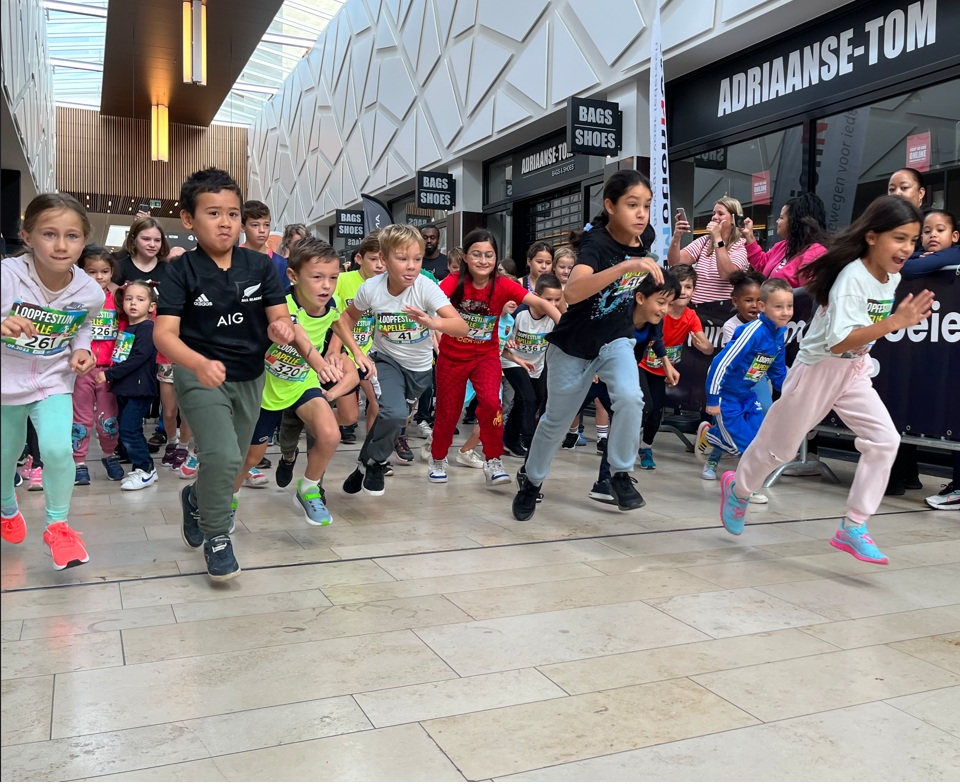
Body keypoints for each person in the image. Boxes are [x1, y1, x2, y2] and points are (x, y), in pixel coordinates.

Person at [718, 195, 934, 565]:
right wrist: (895, 322)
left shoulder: (891, 275)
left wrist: (886, 326)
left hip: (853, 371)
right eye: (899, 237)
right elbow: (837, 342)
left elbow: (855, 342)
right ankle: (738, 490)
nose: (907, 248)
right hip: (819, 369)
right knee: (779, 450)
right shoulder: (852, 279)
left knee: (884, 440)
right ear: (871, 236)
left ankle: (853, 526)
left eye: (912, 240)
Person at [154, 167, 296, 582]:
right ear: (188, 219)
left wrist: (281, 330)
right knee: (222, 455)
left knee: (234, 465)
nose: (226, 223)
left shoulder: (260, 265)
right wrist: (197, 363)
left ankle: (195, 498)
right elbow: (164, 334)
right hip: (199, 376)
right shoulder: (181, 272)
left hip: (250, 376)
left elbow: (280, 318)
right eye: (213, 213)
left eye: (232, 214)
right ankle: (218, 537)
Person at [512, 170, 663, 520]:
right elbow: (574, 292)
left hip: (616, 339)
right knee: (556, 421)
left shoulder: (646, 238)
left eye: (647, 206)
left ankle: (621, 475)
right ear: (610, 206)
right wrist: (627, 265)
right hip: (574, 346)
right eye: (632, 205)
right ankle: (531, 482)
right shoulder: (597, 243)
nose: (641, 213)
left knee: (630, 397)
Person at [1, 193, 103, 570]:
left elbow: (85, 326)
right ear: (27, 237)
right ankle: (6, 507)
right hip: (4, 384)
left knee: (58, 449)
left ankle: (58, 526)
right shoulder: (6, 276)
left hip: (52, 379)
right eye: (49, 234)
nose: (61, 245)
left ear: (84, 239)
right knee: (5, 455)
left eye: (72, 236)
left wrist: (83, 350)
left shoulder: (89, 291)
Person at [236, 238, 368, 526]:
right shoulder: (281, 305)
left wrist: (357, 352)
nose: (327, 286)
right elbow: (298, 335)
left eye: (333, 278)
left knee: (331, 434)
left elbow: (338, 321)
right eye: (317, 277)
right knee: (251, 458)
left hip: (301, 383)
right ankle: (226, 502)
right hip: (266, 389)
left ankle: (308, 489)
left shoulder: (330, 304)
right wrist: (321, 364)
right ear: (294, 276)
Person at [339, 224, 467, 496]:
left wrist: (432, 321)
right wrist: (359, 353)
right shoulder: (371, 289)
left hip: (419, 370)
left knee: (396, 420)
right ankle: (378, 463)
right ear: (384, 260)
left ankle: (363, 464)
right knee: (393, 412)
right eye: (402, 258)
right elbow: (345, 320)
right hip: (385, 360)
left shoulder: (425, 288)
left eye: (417, 259)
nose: (411, 266)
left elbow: (461, 326)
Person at [428, 229, 561, 485]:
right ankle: (438, 458)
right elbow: (430, 300)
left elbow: (542, 303)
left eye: (489, 255)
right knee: (448, 412)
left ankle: (493, 460)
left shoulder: (501, 284)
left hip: (486, 357)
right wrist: (433, 327)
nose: (483, 260)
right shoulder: (453, 282)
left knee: (491, 404)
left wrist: (562, 324)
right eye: (476, 254)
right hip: (452, 359)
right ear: (466, 257)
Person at [699, 279, 794, 501]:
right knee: (742, 447)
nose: (785, 312)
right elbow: (720, 364)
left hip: (747, 396)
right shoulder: (751, 332)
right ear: (763, 307)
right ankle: (742, 486)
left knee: (758, 442)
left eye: (789, 306)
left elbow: (778, 372)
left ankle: (714, 438)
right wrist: (713, 399)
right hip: (725, 397)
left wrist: (792, 395)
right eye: (778, 306)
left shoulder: (779, 334)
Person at [590, 270, 680, 503]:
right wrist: (594, 368)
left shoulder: (654, 320)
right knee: (559, 417)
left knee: (636, 411)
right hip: (591, 369)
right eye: (661, 302)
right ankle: (530, 475)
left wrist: (667, 364)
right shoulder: (618, 315)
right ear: (640, 298)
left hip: (624, 370)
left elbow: (656, 340)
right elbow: (594, 337)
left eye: (669, 304)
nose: (664, 309)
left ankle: (607, 480)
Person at [638, 264, 713, 470]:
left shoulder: (690, 317)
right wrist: (667, 363)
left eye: (689, 287)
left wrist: (705, 345)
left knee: (656, 411)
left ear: (694, 291)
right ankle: (621, 441)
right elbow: (653, 341)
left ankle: (645, 447)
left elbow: (706, 346)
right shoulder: (660, 310)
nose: (684, 291)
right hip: (642, 364)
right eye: (680, 286)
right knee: (644, 406)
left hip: (661, 371)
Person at [97, 282, 159, 491]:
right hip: (125, 388)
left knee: (129, 430)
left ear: (151, 306)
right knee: (130, 430)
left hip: (139, 389)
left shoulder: (147, 327)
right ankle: (146, 467)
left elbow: (138, 358)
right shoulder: (129, 328)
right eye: (129, 298)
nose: (133, 303)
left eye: (140, 299)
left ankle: (145, 469)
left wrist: (108, 374)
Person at [325, 233, 384, 448]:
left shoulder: (386, 285)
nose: (379, 265)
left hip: (367, 355)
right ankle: (313, 419)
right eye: (374, 259)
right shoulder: (342, 281)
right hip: (340, 353)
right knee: (349, 417)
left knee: (378, 404)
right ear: (359, 258)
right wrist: (334, 350)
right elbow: (335, 318)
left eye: (383, 259)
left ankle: (370, 455)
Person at [72, 246, 123, 485]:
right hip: (81, 370)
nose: (99, 277)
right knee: (81, 417)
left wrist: (118, 366)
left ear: (112, 271)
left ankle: (109, 455)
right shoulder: (75, 300)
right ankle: (79, 461)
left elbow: (125, 333)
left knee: (108, 417)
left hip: (108, 371)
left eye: (104, 271)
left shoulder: (119, 301)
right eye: (92, 271)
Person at [501, 274, 564, 457]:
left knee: (535, 398)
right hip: (512, 360)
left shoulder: (554, 318)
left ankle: (510, 438)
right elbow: (500, 334)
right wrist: (506, 344)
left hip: (536, 365)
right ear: (535, 297)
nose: (552, 304)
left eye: (557, 300)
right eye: (548, 299)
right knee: (526, 398)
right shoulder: (519, 313)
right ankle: (525, 439)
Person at [668, 197, 750, 303]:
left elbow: (727, 274)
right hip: (698, 307)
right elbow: (674, 262)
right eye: (714, 213)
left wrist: (717, 238)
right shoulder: (705, 241)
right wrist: (677, 236)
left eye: (720, 214)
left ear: (733, 220)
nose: (714, 217)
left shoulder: (742, 245)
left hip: (723, 309)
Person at [742, 193, 828, 287]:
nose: (777, 221)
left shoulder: (815, 252)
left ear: (794, 221)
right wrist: (749, 235)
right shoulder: (783, 245)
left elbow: (809, 295)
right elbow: (762, 264)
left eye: (781, 217)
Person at [242, 200, 289, 290]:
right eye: (255, 225)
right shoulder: (231, 259)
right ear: (242, 227)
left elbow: (285, 298)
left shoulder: (281, 263)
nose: (262, 230)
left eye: (266, 225)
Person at [903, 209, 959, 280]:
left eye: (940, 230)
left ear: (954, 236)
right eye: (927, 231)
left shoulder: (955, 253)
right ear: (922, 238)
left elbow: (908, 269)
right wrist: (919, 256)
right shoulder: (922, 252)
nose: (932, 235)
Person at [722, 269, 766, 345]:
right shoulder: (730, 326)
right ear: (735, 301)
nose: (754, 305)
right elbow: (733, 353)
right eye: (749, 300)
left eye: (759, 300)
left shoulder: (764, 322)